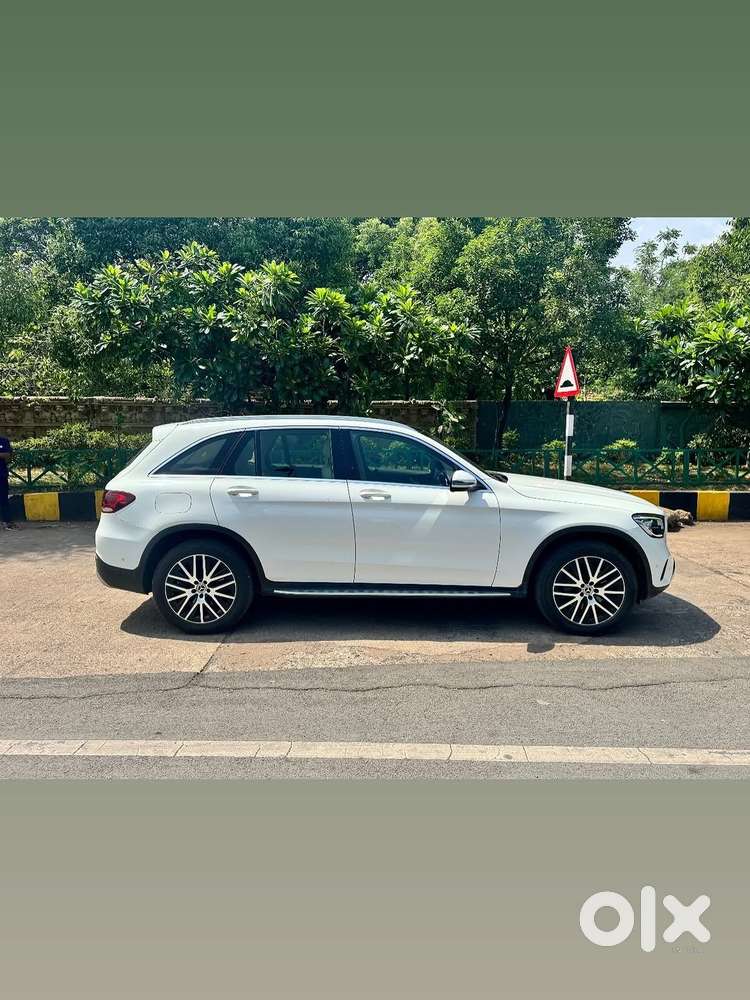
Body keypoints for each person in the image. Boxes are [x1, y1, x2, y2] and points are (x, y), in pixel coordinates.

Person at [0, 433, 15, 528]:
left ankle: (7, 521)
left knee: (3, 499)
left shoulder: (3, 441)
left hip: (1, 475)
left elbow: (7, 455)